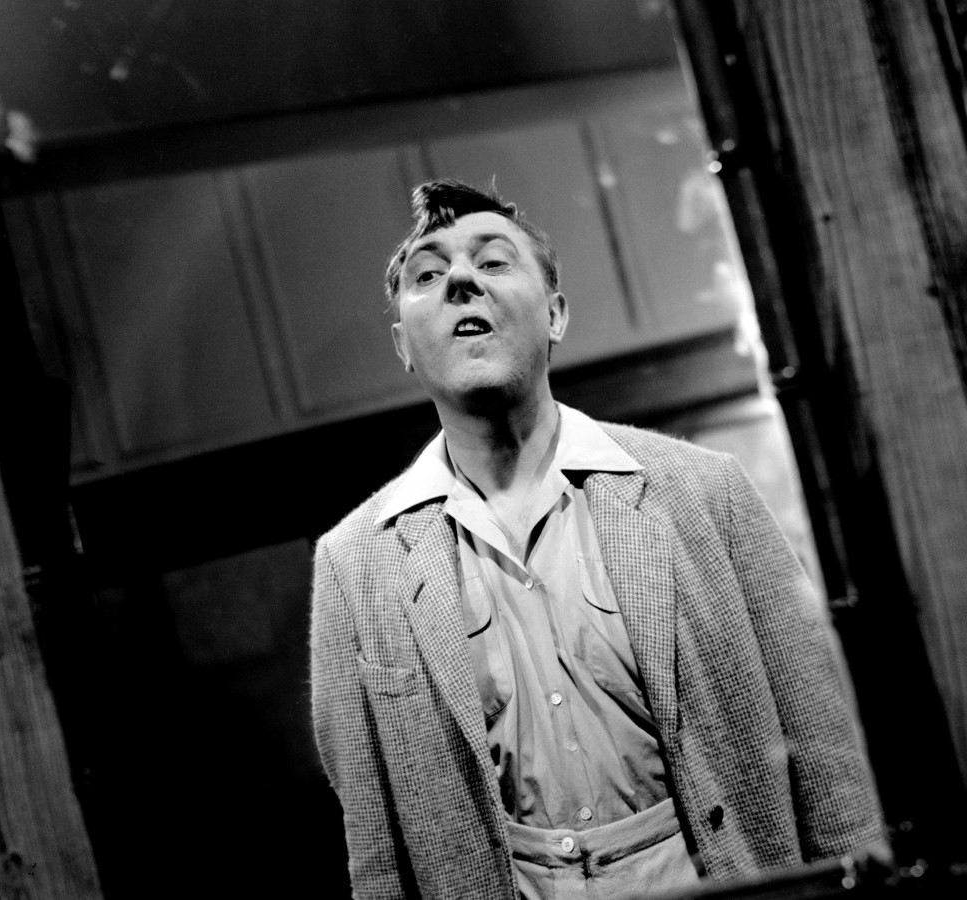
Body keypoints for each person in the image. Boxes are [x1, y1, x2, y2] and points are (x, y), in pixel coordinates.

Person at [308, 178, 887, 899]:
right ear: (403, 344)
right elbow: (374, 850)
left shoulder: (703, 491)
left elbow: (826, 748)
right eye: (428, 275)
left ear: (555, 313)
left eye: (492, 262)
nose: (459, 280)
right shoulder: (354, 563)